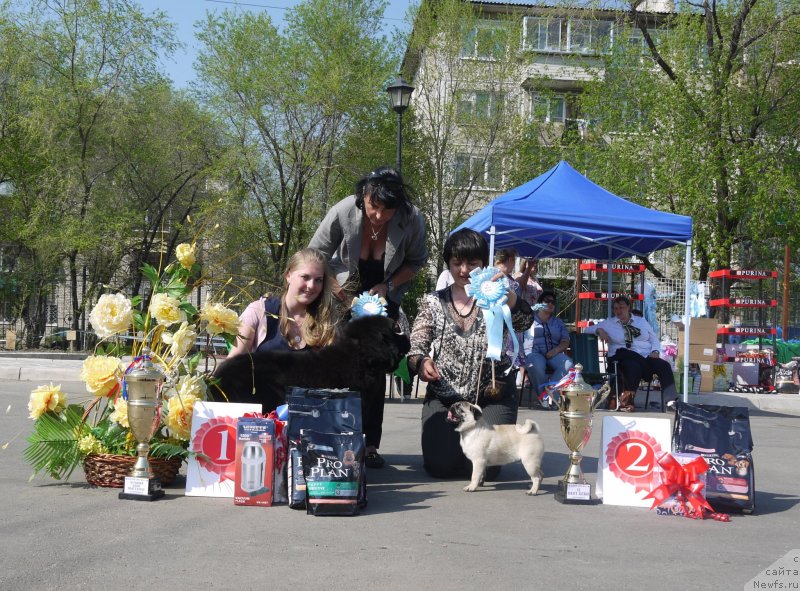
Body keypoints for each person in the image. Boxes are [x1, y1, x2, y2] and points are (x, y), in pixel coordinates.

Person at [309, 166, 428, 468]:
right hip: (342, 292)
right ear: (364, 195)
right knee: (339, 367)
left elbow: (416, 262)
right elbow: (316, 253)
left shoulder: (412, 219)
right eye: (374, 207)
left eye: (386, 211)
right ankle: (336, 437)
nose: (378, 216)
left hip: (383, 296)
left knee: (374, 373)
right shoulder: (343, 210)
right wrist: (337, 292)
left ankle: (370, 444)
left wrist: (388, 287)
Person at [408, 228, 532, 478]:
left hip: (492, 393)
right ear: (448, 264)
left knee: (486, 466)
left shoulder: (499, 296)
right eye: (457, 263)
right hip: (445, 396)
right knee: (440, 466)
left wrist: (509, 298)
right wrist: (421, 361)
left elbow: (524, 322)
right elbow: (417, 344)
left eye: (472, 263)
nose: (464, 270)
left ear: (484, 264)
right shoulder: (432, 301)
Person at [228, 248, 339, 357]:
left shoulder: (327, 322)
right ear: (288, 276)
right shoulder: (259, 311)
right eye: (305, 277)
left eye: (318, 280)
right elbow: (232, 367)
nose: (311, 286)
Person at [585, 295, 676, 412]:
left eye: (621, 307)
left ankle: (671, 401)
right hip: (620, 359)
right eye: (616, 308)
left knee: (663, 365)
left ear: (628, 307)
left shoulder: (641, 322)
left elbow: (654, 339)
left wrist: (655, 351)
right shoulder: (609, 323)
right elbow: (587, 330)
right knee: (629, 361)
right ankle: (627, 400)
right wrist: (599, 330)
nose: (618, 311)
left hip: (645, 356)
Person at [523, 290, 573, 397]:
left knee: (568, 364)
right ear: (540, 303)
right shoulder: (530, 319)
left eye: (553, 302)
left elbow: (565, 341)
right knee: (535, 365)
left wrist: (555, 350)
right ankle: (543, 397)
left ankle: (551, 395)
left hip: (554, 353)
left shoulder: (558, 322)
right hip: (534, 352)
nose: (551, 304)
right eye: (547, 301)